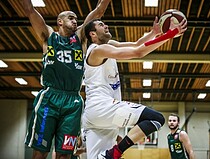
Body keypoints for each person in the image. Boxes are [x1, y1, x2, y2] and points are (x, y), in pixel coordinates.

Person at [83, 16, 187, 159]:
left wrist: (154, 33)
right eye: (101, 25)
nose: (106, 26)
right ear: (92, 34)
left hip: (95, 117)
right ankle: (116, 151)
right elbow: (138, 52)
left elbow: (136, 44)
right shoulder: (98, 50)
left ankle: (112, 153)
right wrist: (170, 35)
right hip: (102, 108)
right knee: (155, 119)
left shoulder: (108, 45)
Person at [22, 0, 111, 158]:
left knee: (65, 154)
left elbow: (98, 12)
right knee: (40, 152)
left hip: (73, 102)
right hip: (49, 98)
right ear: (60, 21)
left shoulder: (80, 38)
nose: (75, 20)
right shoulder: (48, 36)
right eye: (71, 18)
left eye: (76, 18)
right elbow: (29, 10)